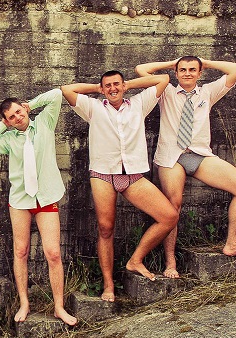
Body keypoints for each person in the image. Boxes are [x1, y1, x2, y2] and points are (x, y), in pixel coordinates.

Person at [135, 56, 236, 279]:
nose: (187, 73)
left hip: (200, 155)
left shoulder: (208, 92)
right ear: (176, 73)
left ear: (199, 73)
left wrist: (205, 61)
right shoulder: (166, 91)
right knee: (173, 206)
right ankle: (170, 261)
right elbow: (141, 69)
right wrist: (172, 63)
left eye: (192, 69)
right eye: (183, 70)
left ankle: (233, 243)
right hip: (171, 157)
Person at [61, 72, 179, 300]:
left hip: (132, 174)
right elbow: (67, 90)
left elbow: (163, 79)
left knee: (169, 217)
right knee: (105, 229)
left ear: (123, 86)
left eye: (116, 84)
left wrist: (127, 85)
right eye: (108, 86)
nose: (112, 88)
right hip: (103, 174)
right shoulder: (93, 108)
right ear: (102, 89)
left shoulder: (139, 104)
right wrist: (98, 88)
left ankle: (135, 260)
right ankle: (108, 285)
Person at [0, 88, 77, 326]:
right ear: (8, 121)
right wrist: (3, 125)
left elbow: (56, 95)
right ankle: (24, 303)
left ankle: (59, 307)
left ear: (24, 108)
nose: (17, 118)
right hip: (21, 201)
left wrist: (31, 104)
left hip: (46, 197)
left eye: (19, 112)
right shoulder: (9, 139)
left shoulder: (44, 123)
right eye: (11, 117)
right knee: (20, 252)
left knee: (53, 253)